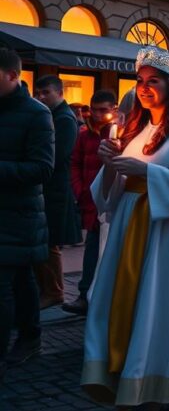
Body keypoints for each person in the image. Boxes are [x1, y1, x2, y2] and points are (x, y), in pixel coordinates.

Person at [82, 47, 169, 406]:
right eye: (140, 81)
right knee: (115, 298)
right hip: (129, 230)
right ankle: (121, 368)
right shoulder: (136, 128)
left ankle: (157, 378)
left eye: (153, 81)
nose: (144, 88)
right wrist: (111, 163)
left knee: (158, 303)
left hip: (167, 233)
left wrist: (150, 174)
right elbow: (107, 197)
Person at [0, 48, 52, 377]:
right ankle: (31, 337)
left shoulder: (37, 113)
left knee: (4, 284)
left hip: (18, 213)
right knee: (21, 279)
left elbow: (42, 168)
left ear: (11, 76)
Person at [64, 90, 118, 316]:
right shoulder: (84, 134)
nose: (97, 115)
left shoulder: (117, 134)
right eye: (94, 109)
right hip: (90, 200)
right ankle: (85, 294)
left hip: (109, 200)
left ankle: (98, 294)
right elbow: (74, 163)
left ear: (113, 109)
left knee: (104, 248)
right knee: (92, 247)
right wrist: (79, 190)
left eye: (103, 110)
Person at [33, 75, 82, 310]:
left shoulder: (64, 119)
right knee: (45, 240)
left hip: (56, 189)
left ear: (59, 93)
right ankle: (50, 289)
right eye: (38, 93)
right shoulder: (54, 115)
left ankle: (54, 290)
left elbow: (57, 155)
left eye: (46, 93)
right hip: (51, 188)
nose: (41, 97)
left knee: (50, 241)